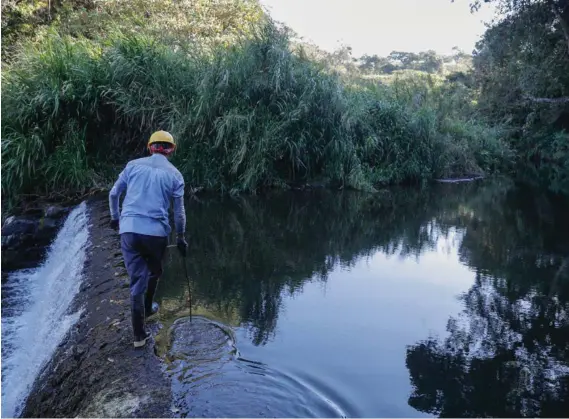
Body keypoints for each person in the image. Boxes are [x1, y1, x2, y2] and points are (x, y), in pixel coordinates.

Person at [109, 130, 188, 348]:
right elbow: (179, 213)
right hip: (157, 234)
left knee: (137, 279)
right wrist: (180, 237)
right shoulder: (175, 175)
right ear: (171, 150)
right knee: (154, 271)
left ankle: (139, 336)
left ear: (149, 146)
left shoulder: (132, 165)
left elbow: (114, 194)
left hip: (129, 229)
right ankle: (147, 304)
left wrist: (116, 218)